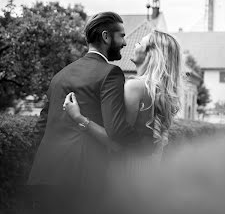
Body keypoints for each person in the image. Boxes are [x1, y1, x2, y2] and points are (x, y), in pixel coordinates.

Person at [27, 11, 133, 202]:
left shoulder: (60, 75)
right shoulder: (110, 73)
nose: (125, 43)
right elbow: (116, 131)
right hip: (82, 181)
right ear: (106, 37)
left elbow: (39, 129)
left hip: (43, 177)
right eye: (122, 36)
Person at [63, 29, 183, 184]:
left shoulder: (135, 87)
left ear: (151, 54)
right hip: (149, 170)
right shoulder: (160, 92)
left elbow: (118, 142)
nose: (134, 45)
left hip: (128, 171)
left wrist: (80, 118)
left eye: (141, 43)